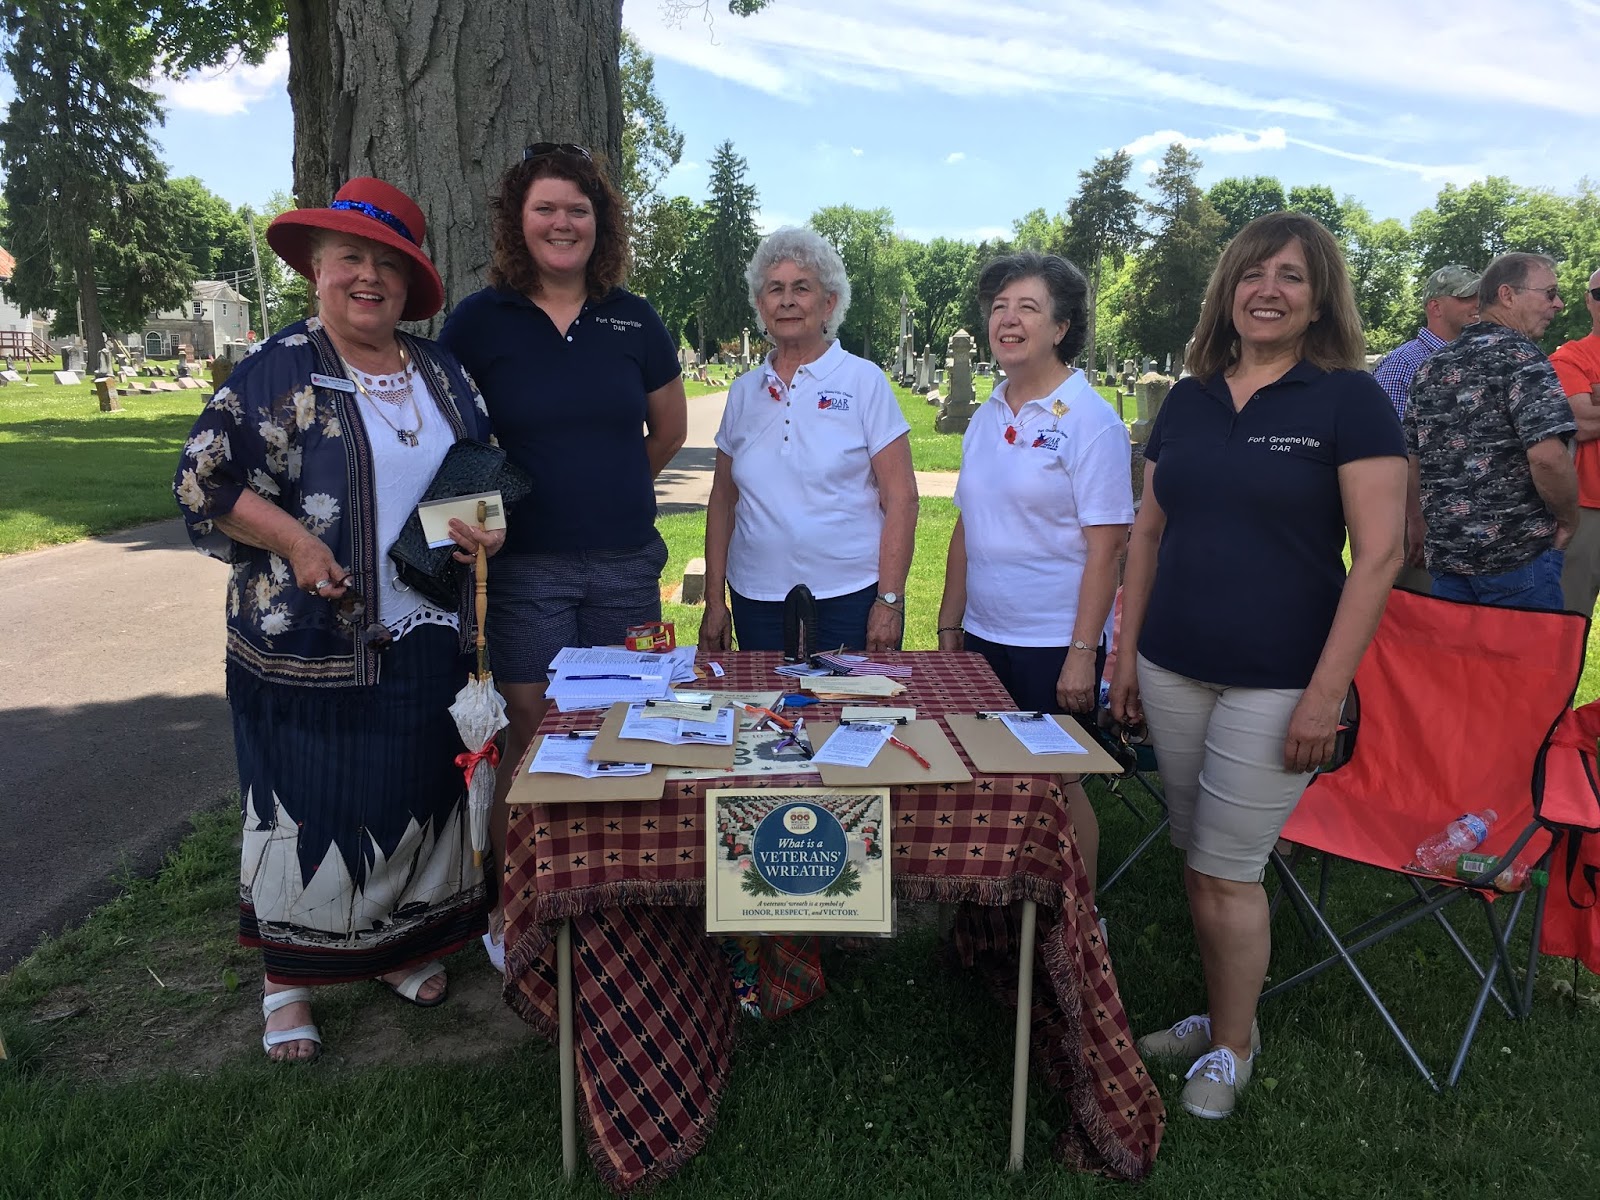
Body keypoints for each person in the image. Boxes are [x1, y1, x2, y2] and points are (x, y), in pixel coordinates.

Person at [173, 178, 504, 1063]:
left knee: (413, 794)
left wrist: (483, 532)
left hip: (430, 630)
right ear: (317, 269)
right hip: (304, 646)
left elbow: (480, 469)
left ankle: (399, 949)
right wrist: (296, 544)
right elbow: (204, 482)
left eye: (387, 265)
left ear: (409, 283)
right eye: (350, 259)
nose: (368, 278)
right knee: (308, 806)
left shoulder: (442, 371)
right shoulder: (281, 367)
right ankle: (289, 982)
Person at [1109, 212, 1406, 1119]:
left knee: (1229, 870)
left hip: (1279, 680)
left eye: (1291, 276)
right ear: (1227, 289)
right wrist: (1124, 657)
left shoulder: (1350, 400)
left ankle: (1234, 1045)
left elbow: (1382, 554)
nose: (1268, 289)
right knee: (1200, 859)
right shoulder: (1191, 398)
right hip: (1172, 666)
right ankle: (1218, 1014)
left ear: (1320, 299)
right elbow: (1148, 532)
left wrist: (1325, 695)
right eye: (1252, 273)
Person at [439, 143, 687, 902]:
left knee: (625, 719)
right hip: (523, 567)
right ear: (519, 220)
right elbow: (453, 442)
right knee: (532, 721)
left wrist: (609, 490)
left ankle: (615, 881)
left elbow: (667, 432)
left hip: (623, 560)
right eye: (545, 207)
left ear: (599, 223)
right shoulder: (478, 322)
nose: (562, 222)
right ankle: (523, 893)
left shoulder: (634, 319)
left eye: (578, 210)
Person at [936, 251, 1132, 895]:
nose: (1008, 320)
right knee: (989, 780)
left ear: (1061, 326)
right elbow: (968, 524)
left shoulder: (1092, 422)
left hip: (1053, 642)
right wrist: (949, 622)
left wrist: (1081, 654)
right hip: (987, 635)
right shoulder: (989, 413)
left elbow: (1108, 550)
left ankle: (1079, 924)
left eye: (1028, 308)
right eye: (998, 307)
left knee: (1058, 786)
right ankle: (999, 917)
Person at [700, 227, 917, 653]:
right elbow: (723, 499)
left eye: (801, 288)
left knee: (846, 716)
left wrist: (889, 601)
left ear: (829, 302)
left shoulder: (862, 381)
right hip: (756, 599)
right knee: (763, 714)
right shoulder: (744, 392)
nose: (786, 300)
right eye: (774, 289)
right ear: (760, 305)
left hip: (850, 597)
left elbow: (902, 498)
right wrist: (714, 602)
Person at [1404, 252, 1578, 609]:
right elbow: (1547, 458)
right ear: (1507, 295)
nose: (1558, 304)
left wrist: (1417, 523)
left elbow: (1411, 459)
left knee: (1459, 666)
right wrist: (1568, 519)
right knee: (1526, 665)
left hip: (1449, 563)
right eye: (1549, 293)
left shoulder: (1431, 367)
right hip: (1518, 562)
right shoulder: (1524, 359)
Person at [1550, 267, 1600, 615]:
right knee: (1568, 623)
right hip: (1587, 510)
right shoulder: (1570, 356)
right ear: (1588, 301)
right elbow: (1581, 421)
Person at [1373, 265, 1481, 421]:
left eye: (1480, 296)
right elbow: (1384, 436)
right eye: (1466, 296)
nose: (1478, 303)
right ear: (1436, 307)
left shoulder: (1480, 358)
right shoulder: (1403, 364)